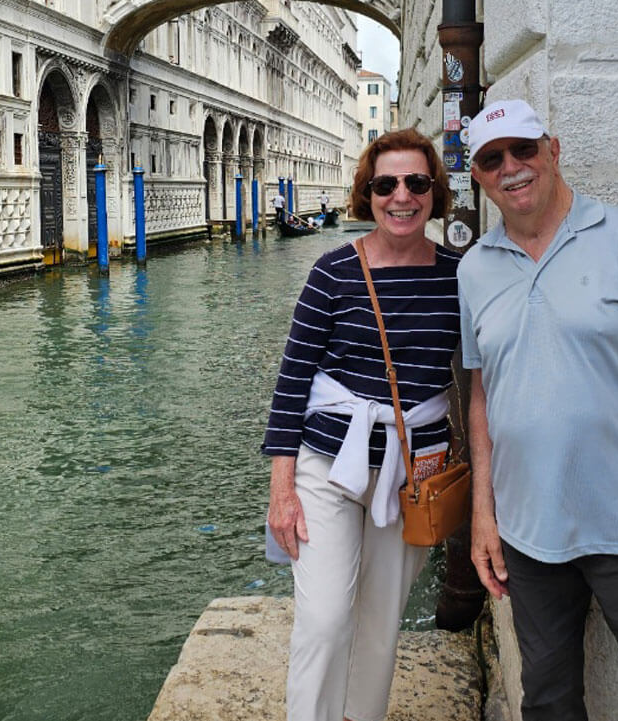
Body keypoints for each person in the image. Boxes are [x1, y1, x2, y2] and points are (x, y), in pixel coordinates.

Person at [458, 98, 618, 721]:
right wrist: (483, 516)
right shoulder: (474, 269)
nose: (512, 167)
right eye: (493, 160)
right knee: (546, 702)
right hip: (526, 530)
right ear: (480, 178)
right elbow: (483, 395)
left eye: (524, 149)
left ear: (552, 148)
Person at [263, 128, 461, 721]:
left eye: (416, 183)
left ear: (434, 192)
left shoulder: (460, 275)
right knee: (324, 620)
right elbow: (292, 382)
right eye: (386, 184)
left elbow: (476, 378)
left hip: (413, 473)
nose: (402, 196)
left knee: (380, 624)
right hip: (327, 466)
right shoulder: (332, 273)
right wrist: (282, 492)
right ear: (367, 194)